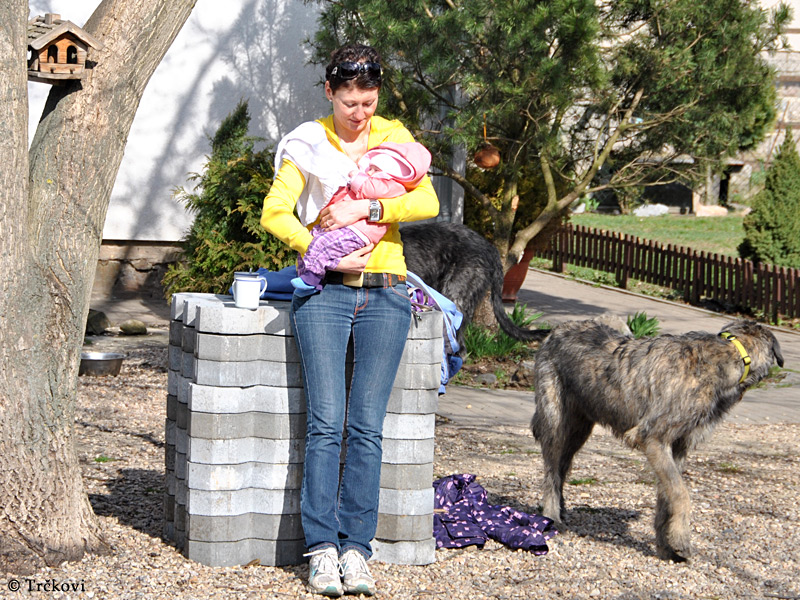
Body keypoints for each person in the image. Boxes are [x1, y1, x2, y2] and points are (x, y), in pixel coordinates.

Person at [260, 43, 439, 597]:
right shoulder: (310, 141)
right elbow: (274, 211)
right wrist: (319, 248)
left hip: (386, 295)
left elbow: (427, 201)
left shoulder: (395, 138)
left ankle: (357, 549)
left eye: (368, 100)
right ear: (331, 93)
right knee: (326, 426)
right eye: (349, 101)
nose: (359, 111)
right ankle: (320, 550)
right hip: (327, 296)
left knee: (366, 428)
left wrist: (370, 208)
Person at [289, 140, 432, 295]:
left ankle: (312, 279)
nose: (369, 172)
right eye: (369, 168)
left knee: (323, 244)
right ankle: (306, 276)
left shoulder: (390, 185)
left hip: (358, 233)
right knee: (313, 240)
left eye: (375, 169)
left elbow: (428, 204)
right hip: (346, 229)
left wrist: (355, 178)